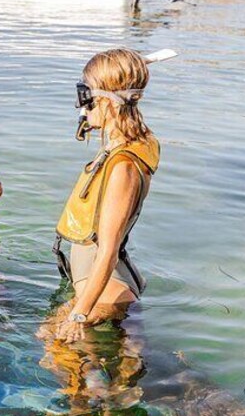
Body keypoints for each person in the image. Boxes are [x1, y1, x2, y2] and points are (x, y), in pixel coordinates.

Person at [45, 49, 160, 344]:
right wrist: (126, 73)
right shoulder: (124, 143)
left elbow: (107, 251)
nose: (81, 106)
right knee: (95, 371)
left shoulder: (123, 168)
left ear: (107, 100)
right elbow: (122, 106)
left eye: (85, 95)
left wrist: (79, 314)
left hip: (107, 291)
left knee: (53, 346)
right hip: (97, 286)